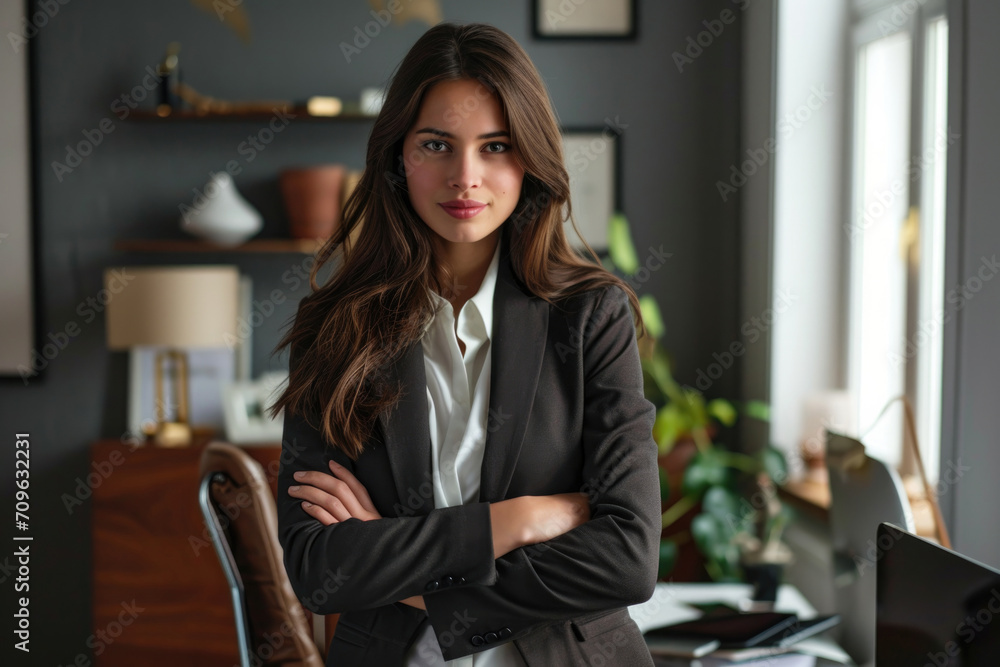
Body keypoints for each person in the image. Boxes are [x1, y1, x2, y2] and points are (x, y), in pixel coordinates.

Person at [269, 21, 661, 667]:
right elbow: (319, 570)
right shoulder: (332, 327)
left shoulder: (591, 316)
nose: (466, 177)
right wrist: (518, 520)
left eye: (496, 146)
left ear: (529, 156)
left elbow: (627, 558)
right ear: (399, 155)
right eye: (436, 145)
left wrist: (402, 564)